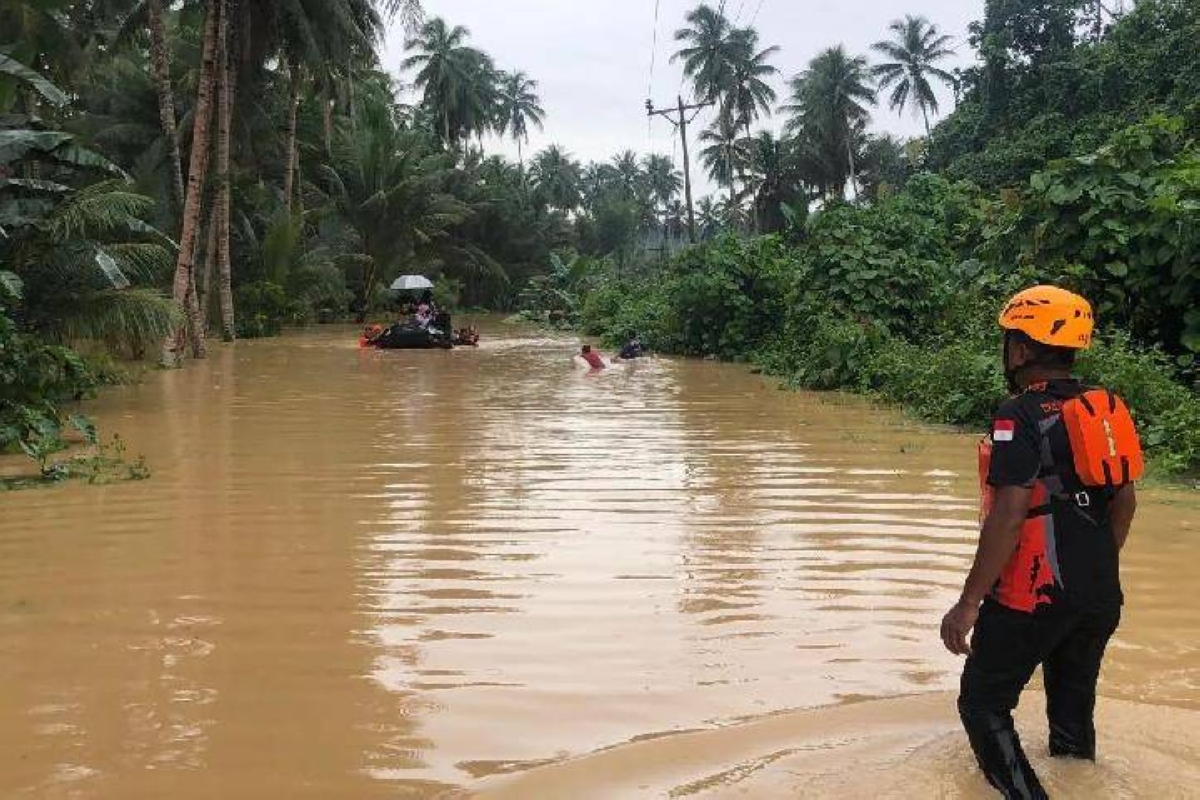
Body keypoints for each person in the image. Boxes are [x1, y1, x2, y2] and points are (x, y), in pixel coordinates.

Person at [941, 286, 1141, 800]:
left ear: (1023, 349)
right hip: (1099, 597)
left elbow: (1009, 515)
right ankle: (1081, 785)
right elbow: (1125, 502)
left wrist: (967, 605)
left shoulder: (1019, 415)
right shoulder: (1103, 409)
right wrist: (1093, 571)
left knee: (982, 704)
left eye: (1011, 340)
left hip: (1036, 596)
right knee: (1072, 716)